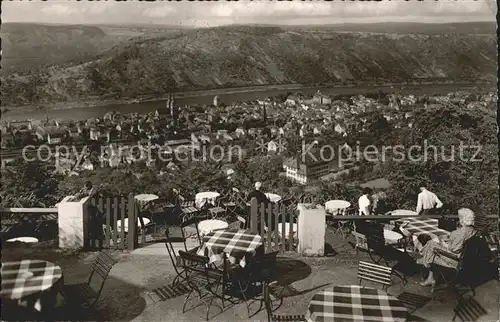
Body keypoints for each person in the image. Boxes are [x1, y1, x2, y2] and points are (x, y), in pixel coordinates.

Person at [417, 208, 477, 286]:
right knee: (432, 246)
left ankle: (424, 260)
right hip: (467, 258)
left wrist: (442, 242)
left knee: (431, 244)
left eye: (459, 218)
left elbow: (454, 249)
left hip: (455, 261)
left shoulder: (460, 233)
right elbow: (459, 243)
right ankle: (430, 277)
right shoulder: (473, 230)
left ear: (462, 219)